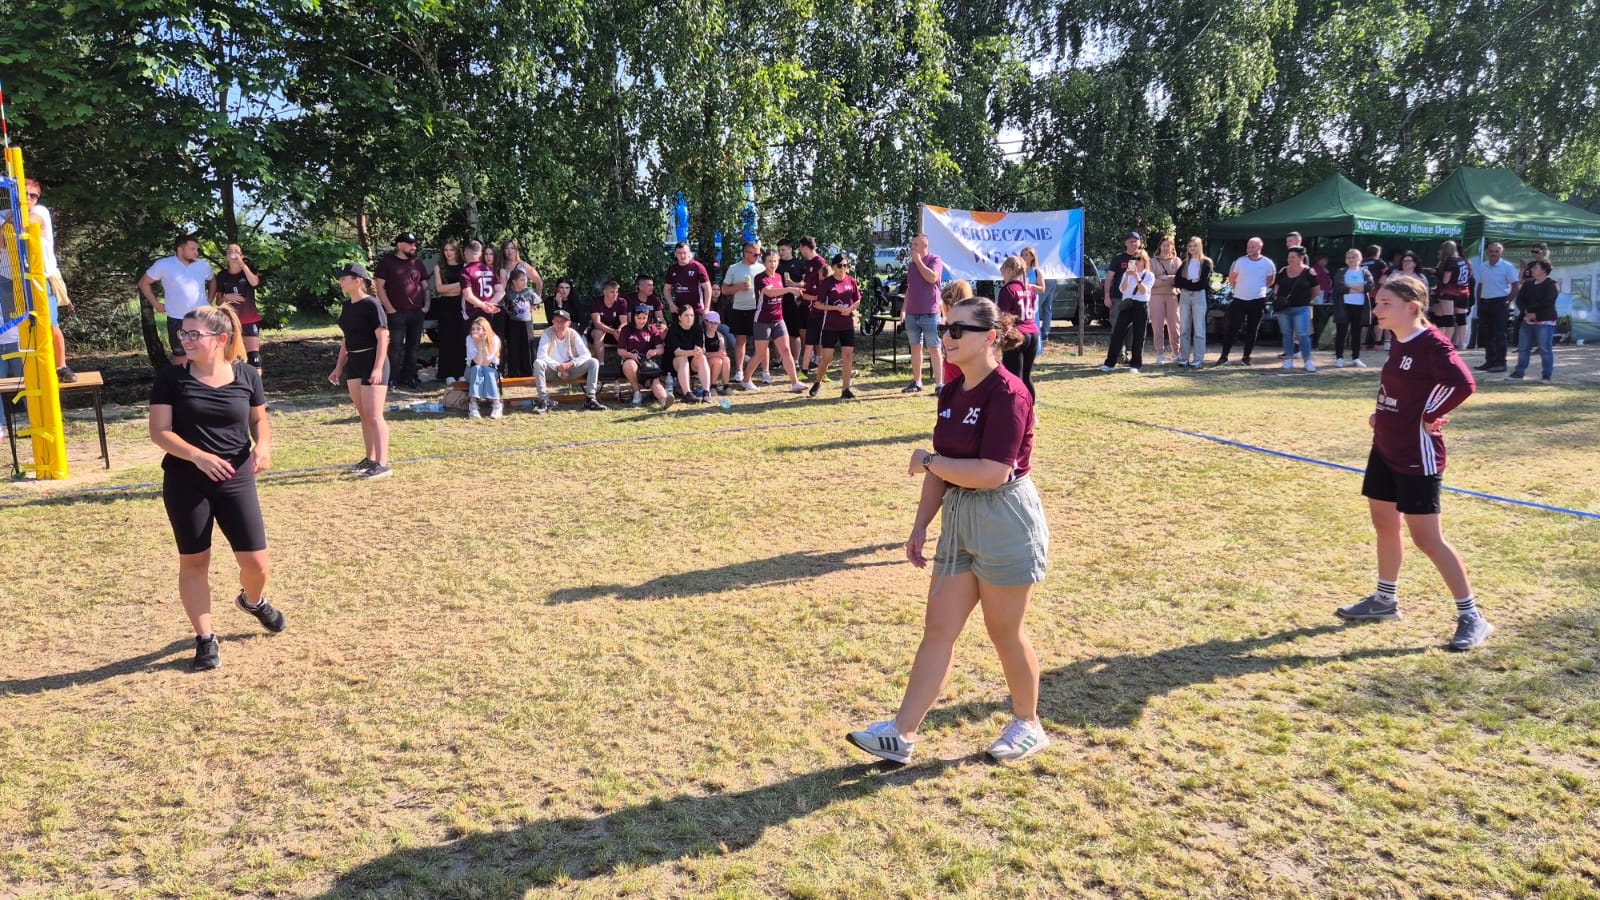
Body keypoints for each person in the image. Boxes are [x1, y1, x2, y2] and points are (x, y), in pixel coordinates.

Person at [846, 296, 1049, 764]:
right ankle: (901, 734)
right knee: (938, 628)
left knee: (1004, 632)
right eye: (944, 328)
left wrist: (928, 461)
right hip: (960, 516)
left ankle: (1028, 724)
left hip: (1004, 517)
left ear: (990, 337)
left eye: (957, 330)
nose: (947, 337)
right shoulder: (952, 391)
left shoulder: (1010, 393)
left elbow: (992, 473)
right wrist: (920, 526)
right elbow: (943, 469)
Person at [1334, 274, 1488, 651]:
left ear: (1412, 307)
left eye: (1386, 303)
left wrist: (1429, 414)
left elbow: (1463, 383)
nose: (1377, 309)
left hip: (1417, 455)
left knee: (1427, 539)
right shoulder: (1398, 340)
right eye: (1377, 302)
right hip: (1385, 447)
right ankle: (1385, 600)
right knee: (1385, 525)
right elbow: (1402, 386)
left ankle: (1472, 617)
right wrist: (1383, 412)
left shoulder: (1432, 343)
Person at [148, 303, 282, 671]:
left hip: (236, 478)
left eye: (195, 334)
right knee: (195, 562)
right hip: (186, 480)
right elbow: (159, 431)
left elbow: (259, 420)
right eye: (184, 333)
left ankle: (253, 602)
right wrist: (198, 456)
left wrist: (264, 445)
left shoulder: (247, 375)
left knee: (256, 564)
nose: (186, 340)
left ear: (221, 339)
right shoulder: (171, 378)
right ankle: (205, 638)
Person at [2, 179, 78, 381]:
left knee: (50, 323)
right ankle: (33, 368)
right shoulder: (6, 215)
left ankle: (61, 366)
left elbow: (29, 224)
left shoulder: (39, 211)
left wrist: (10, 222)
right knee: (21, 326)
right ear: (15, 195)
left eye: (32, 195)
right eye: (24, 194)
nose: (28, 198)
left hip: (41, 277)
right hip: (14, 279)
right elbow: (1, 243)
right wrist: (7, 224)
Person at [330, 263, 392, 479]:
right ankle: (371, 458)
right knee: (364, 415)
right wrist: (339, 366)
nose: (340, 282)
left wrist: (377, 367)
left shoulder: (372, 304)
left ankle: (382, 463)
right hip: (355, 362)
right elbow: (346, 339)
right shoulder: (347, 306)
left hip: (372, 360)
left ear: (357, 281)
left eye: (344, 278)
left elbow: (383, 337)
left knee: (374, 415)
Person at [139, 234, 216, 367]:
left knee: (205, 354)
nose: (196, 253)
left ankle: (204, 380)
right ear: (181, 249)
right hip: (177, 319)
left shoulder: (203, 265)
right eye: (193, 249)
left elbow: (213, 280)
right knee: (180, 357)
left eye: (197, 249)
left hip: (201, 318)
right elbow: (143, 283)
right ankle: (183, 381)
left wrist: (209, 300)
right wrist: (156, 304)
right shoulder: (163, 265)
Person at [745, 249, 806, 393]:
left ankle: (795, 383)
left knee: (786, 350)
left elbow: (780, 294)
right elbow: (769, 293)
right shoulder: (760, 278)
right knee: (760, 354)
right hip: (762, 320)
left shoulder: (778, 276)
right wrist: (789, 289)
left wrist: (794, 291)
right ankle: (746, 380)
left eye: (775, 261)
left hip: (778, 319)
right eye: (769, 261)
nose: (772, 264)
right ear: (764, 262)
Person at [374, 232, 429, 389]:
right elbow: (380, 288)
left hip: (416, 312)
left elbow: (425, 287)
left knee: (414, 346)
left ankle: (410, 376)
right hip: (396, 313)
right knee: (395, 346)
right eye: (410, 244)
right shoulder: (387, 262)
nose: (414, 247)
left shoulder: (417, 264)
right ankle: (392, 378)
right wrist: (390, 309)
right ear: (399, 245)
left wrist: (426, 306)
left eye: (414, 244)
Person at [807, 253, 860, 399]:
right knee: (827, 357)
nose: (843, 268)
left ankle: (845, 389)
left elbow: (857, 300)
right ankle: (817, 382)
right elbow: (818, 304)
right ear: (833, 267)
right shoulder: (827, 283)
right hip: (830, 325)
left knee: (848, 355)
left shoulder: (851, 281)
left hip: (847, 324)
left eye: (845, 265)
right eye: (840, 265)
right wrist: (835, 308)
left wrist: (850, 309)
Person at [533, 307, 604, 412]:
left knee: (593, 362)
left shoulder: (573, 334)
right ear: (552, 322)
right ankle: (543, 400)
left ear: (569, 323)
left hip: (570, 370)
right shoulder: (547, 333)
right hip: (552, 371)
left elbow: (586, 354)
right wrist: (558, 366)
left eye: (562, 321)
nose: (559, 324)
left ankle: (590, 399)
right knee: (538, 363)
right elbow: (541, 355)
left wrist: (571, 364)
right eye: (556, 321)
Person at [1217, 237, 1274, 366]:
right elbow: (1232, 278)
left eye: (1253, 247)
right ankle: (1224, 356)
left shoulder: (1268, 263)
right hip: (1239, 300)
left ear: (1260, 247)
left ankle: (1246, 357)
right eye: (1248, 246)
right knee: (1232, 328)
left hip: (1257, 300)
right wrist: (1240, 290)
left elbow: (1270, 280)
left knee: (1252, 330)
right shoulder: (1240, 261)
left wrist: (1258, 290)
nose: (1249, 249)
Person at [900, 233, 945, 393]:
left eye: (916, 244)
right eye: (912, 244)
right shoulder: (912, 265)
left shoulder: (935, 260)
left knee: (934, 348)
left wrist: (918, 261)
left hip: (930, 313)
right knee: (915, 348)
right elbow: (910, 288)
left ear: (925, 245)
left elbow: (932, 278)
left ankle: (939, 385)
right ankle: (917, 382)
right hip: (912, 314)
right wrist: (903, 310)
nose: (912, 247)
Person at [213, 244, 265, 376]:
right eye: (229, 251)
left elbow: (254, 283)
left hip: (249, 318)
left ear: (241, 255)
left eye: (236, 251)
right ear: (226, 256)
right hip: (230, 320)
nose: (233, 253)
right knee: (232, 356)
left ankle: (256, 384)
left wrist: (242, 264)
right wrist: (227, 297)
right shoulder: (222, 275)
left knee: (254, 356)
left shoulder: (247, 270)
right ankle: (235, 383)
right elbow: (218, 301)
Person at [1507, 258, 1557, 384]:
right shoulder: (1528, 283)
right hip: (1526, 321)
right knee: (1523, 348)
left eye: (1535, 268)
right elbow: (1520, 300)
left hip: (1545, 322)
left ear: (1544, 271)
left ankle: (1546, 375)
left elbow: (1548, 302)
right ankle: (1519, 372)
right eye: (1532, 268)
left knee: (1544, 349)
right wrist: (1526, 311)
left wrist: (1534, 313)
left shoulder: (1550, 284)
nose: (1532, 270)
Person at [722, 241, 764, 391]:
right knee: (740, 340)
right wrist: (738, 287)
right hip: (739, 308)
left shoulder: (762, 268)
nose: (758, 257)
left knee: (762, 340)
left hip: (757, 309)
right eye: (756, 254)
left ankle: (765, 372)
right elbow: (724, 289)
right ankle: (739, 371)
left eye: (759, 254)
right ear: (746, 253)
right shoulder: (734, 268)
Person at [995, 256, 1042, 391]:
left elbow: (1002, 317)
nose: (1002, 277)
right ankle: (1030, 403)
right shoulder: (1028, 288)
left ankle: (1017, 403)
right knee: (1026, 376)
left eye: (1003, 272)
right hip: (1033, 333)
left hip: (1016, 335)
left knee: (1014, 378)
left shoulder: (1008, 289)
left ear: (1009, 270)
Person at [1100, 250, 1151, 373]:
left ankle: (1135, 364)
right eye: (1134, 259)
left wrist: (1137, 277)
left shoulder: (1149, 275)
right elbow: (1122, 289)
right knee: (1117, 333)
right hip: (1127, 304)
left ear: (1144, 261)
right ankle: (1110, 363)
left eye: (1139, 259)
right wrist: (1128, 276)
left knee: (1138, 336)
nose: (1136, 261)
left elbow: (1143, 291)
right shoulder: (1126, 274)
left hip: (1141, 305)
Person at [1273, 247, 1321, 371]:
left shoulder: (1309, 272)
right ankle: (1289, 359)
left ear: (1301, 258)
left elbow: (1316, 290)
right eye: (1289, 257)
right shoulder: (1283, 271)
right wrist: (1280, 300)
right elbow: (1277, 287)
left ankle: (1307, 361)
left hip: (1301, 308)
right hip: (1284, 309)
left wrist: (1305, 300)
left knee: (1302, 334)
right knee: (1286, 334)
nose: (1290, 260)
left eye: (1293, 257)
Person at [1474, 242, 1519, 373]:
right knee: (1487, 334)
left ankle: (1501, 363)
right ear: (1487, 252)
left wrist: (1506, 302)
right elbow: (1480, 285)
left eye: (1496, 251)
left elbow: (1515, 286)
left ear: (1501, 253)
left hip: (1500, 302)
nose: (1493, 253)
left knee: (1499, 334)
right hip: (1485, 303)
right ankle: (1490, 361)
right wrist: (1479, 302)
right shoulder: (1483, 266)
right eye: (1491, 251)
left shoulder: (1507, 267)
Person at [619, 304, 672, 409]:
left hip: (647, 364)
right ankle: (637, 392)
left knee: (655, 381)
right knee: (630, 364)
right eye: (639, 318)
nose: (641, 321)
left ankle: (664, 400)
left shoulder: (652, 328)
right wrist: (631, 355)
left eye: (644, 318)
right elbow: (620, 350)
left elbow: (661, 348)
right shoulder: (626, 329)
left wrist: (654, 351)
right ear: (633, 317)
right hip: (631, 362)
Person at [1331, 248, 1376, 368]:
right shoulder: (1341, 272)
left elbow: (1369, 286)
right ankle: (1339, 358)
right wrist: (1359, 287)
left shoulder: (1365, 273)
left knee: (1356, 333)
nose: (1351, 259)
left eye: (1354, 257)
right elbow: (1339, 287)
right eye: (1349, 257)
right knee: (1341, 332)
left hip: (1360, 306)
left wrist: (1350, 286)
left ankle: (1356, 358)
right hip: (1344, 306)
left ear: (1360, 259)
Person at [1173, 237, 1213, 368]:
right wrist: (1191, 282)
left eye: (1194, 246)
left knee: (1199, 328)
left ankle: (1198, 359)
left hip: (1198, 296)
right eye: (1190, 246)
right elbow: (1177, 282)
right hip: (1184, 296)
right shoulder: (1185, 263)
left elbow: (1202, 283)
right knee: (1184, 328)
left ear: (1199, 246)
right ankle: (1184, 357)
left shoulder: (1206, 263)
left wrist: (1187, 283)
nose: (1192, 248)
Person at [433, 240, 468, 384]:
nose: (448, 253)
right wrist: (459, 284)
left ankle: (461, 372)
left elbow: (465, 289)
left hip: (460, 304)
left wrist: (452, 288)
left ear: (456, 251)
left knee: (461, 338)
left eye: (451, 250)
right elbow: (440, 289)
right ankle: (448, 373)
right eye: (446, 250)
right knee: (447, 339)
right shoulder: (439, 267)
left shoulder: (464, 266)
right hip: (446, 305)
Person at [665, 305, 715, 401]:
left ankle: (706, 392)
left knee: (702, 357)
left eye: (692, 315)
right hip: (675, 364)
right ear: (680, 317)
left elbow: (698, 349)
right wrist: (693, 352)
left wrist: (698, 352)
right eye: (686, 315)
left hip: (692, 363)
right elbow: (677, 352)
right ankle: (687, 394)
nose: (690, 318)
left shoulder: (698, 328)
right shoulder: (673, 329)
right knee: (682, 358)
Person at [1147, 236, 1182, 365]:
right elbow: (1150, 281)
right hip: (1155, 296)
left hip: (1172, 295)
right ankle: (1160, 353)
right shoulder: (1152, 262)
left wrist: (1164, 278)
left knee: (1175, 325)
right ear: (1160, 246)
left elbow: (1179, 279)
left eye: (1169, 245)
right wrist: (1167, 280)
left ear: (1172, 247)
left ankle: (1176, 353)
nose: (1166, 248)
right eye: (1164, 245)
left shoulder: (1177, 261)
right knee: (1157, 325)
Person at [459, 241, 503, 338]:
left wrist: (483, 305)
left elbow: (468, 296)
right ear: (480, 253)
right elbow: (501, 291)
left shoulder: (466, 271)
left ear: (465, 253)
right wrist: (490, 304)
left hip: (472, 313)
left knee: (473, 343)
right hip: (489, 312)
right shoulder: (490, 270)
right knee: (487, 341)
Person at [500, 267, 538, 378]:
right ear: (514, 281)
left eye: (525, 279)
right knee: (514, 346)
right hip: (513, 323)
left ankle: (528, 371)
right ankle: (514, 372)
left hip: (527, 322)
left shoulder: (529, 292)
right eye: (522, 280)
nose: (525, 282)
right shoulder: (508, 293)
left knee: (527, 345)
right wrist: (508, 311)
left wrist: (532, 307)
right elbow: (503, 305)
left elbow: (536, 302)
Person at [464, 316, 504, 419]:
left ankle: (496, 404)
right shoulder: (469, 339)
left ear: (485, 330)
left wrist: (483, 344)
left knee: (487, 370)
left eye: (478, 329)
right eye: (473, 329)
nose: (475, 331)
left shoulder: (494, 339)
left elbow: (486, 363)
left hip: (490, 370)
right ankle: (473, 405)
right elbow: (477, 362)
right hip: (472, 371)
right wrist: (479, 344)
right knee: (477, 368)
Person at [777, 239, 809, 369]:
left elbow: (806, 283)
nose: (781, 253)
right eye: (779, 250)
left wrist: (795, 285)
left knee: (794, 333)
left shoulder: (800, 264)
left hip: (795, 302)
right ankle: (778, 359)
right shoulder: (776, 263)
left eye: (783, 250)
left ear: (790, 249)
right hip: (778, 301)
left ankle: (795, 360)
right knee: (778, 333)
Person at [1435, 240, 1472, 349]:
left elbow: (1446, 280)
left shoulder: (1450, 261)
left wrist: (1437, 274)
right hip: (1464, 292)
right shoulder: (1463, 260)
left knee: (1448, 318)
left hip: (1449, 292)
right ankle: (1461, 344)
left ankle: (1446, 344)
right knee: (1462, 319)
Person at [799, 237, 828, 374]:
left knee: (818, 334)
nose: (800, 251)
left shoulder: (820, 262)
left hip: (817, 305)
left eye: (800, 248)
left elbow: (825, 283)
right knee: (803, 330)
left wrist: (819, 298)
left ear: (805, 247)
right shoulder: (807, 262)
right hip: (806, 301)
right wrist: (797, 285)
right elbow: (807, 283)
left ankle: (817, 359)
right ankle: (809, 358)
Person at [1102, 232, 1142, 326]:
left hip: (1137, 298)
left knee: (1135, 329)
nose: (1133, 243)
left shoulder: (1143, 258)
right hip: (1119, 298)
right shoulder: (1118, 258)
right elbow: (1109, 279)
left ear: (1140, 243)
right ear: (1126, 243)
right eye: (1130, 241)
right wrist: (1107, 296)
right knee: (1117, 327)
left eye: (1135, 241)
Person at [588, 280, 630, 366]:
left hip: (615, 332)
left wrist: (619, 329)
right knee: (599, 333)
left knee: (623, 332)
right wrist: (613, 331)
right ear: (605, 292)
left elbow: (624, 322)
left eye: (616, 292)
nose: (615, 294)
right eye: (612, 292)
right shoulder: (596, 302)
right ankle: (601, 364)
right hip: (598, 331)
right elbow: (597, 323)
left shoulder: (621, 302)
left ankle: (626, 363)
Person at [664, 241, 712, 316]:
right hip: (679, 310)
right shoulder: (672, 269)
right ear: (675, 254)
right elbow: (666, 289)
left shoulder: (698, 267)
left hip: (696, 310)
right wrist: (671, 304)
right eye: (679, 253)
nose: (682, 256)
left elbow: (707, 288)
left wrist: (707, 308)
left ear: (689, 253)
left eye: (685, 253)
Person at [1360, 245, 1391, 349]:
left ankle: (1362, 344)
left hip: (1363, 294)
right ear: (1377, 253)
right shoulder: (1380, 262)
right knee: (1378, 318)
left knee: (1365, 320)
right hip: (1377, 294)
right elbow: (1388, 273)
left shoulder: (1361, 262)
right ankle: (1378, 343)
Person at [1021, 246, 1051, 349]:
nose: (1023, 257)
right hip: (1020, 304)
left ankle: (1035, 348)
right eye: (1022, 255)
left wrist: (1031, 286)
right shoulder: (1018, 271)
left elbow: (1042, 289)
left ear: (1032, 257)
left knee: (1033, 326)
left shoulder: (1037, 272)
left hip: (1032, 305)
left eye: (1026, 255)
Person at [1310, 251, 1334, 351]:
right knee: (1320, 318)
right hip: (1317, 297)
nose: (1326, 261)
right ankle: (1319, 339)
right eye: (1325, 259)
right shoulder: (1315, 269)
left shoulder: (1324, 270)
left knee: (1321, 317)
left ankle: (1320, 339)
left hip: (1323, 297)